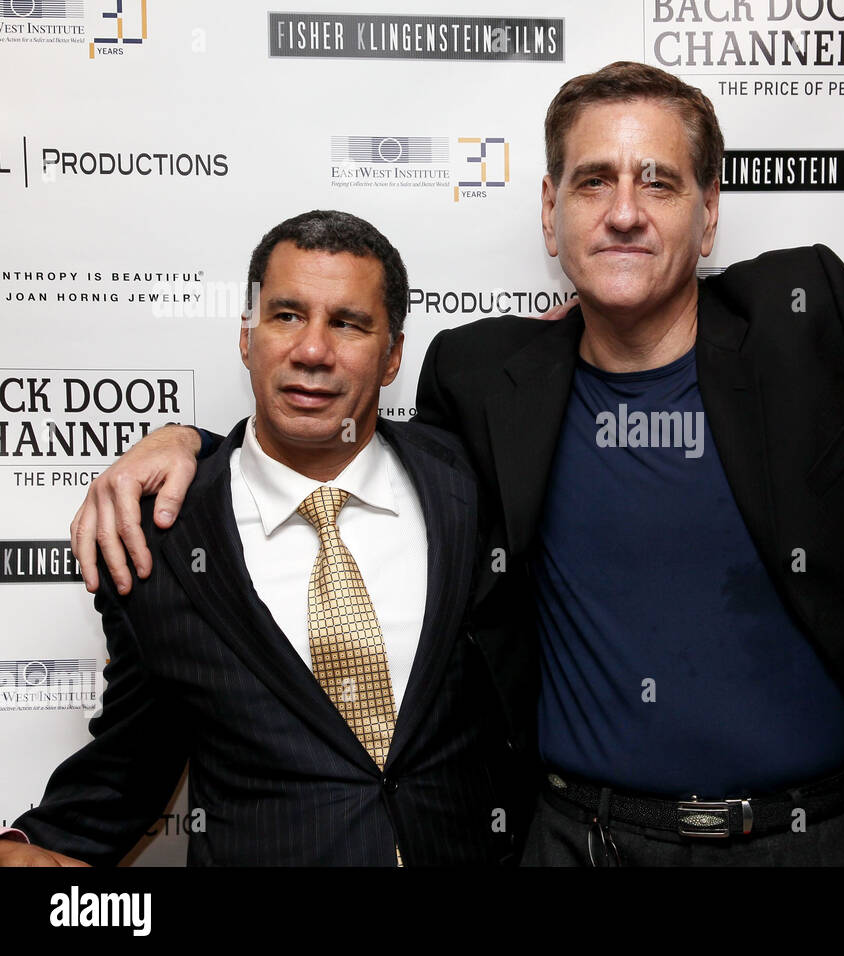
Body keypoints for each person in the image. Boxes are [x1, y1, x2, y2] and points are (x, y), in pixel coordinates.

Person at [66, 63, 844, 866]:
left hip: (810, 843)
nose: (624, 209)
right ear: (548, 209)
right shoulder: (483, 375)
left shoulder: (807, 313)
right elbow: (337, 446)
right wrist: (191, 447)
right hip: (573, 844)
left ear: (710, 216)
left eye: (659, 180)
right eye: (594, 180)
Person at [0, 211, 523, 866]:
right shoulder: (161, 545)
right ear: (246, 336)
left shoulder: (473, 483)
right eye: (285, 316)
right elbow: (130, 763)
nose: (311, 350)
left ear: (392, 354)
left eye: (348, 323)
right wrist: (27, 847)